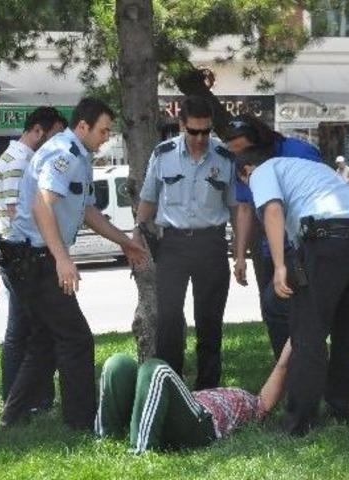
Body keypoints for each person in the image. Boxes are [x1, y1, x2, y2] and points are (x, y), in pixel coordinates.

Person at [0, 97, 146, 432]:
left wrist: (125, 242)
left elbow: (89, 212)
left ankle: (12, 416)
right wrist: (62, 260)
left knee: (45, 342)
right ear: (83, 126)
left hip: (35, 257)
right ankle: (81, 422)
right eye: (104, 130)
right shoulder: (64, 153)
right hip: (36, 260)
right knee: (76, 340)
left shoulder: (80, 155)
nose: (107, 137)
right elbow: (41, 205)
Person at [235, 144, 349, 436]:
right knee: (348, 331)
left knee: (307, 333)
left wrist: (279, 267)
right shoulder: (313, 169)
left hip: (328, 240)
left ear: (245, 172)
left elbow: (273, 210)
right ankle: (340, 413)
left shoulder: (262, 171)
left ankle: (299, 424)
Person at [133, 96, 238, 390]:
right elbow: (148, 199)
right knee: (168, 320)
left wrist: (241, 254)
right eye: (194, 131)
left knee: (209, 320)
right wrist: (136, 237)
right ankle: (171, 387)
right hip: (173, 246)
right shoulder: (163, 154)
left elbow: (236, 207)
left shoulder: (224, 156)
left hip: (211, 244)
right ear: (181, 126)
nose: (200, 138)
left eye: (206, 131)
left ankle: (208, 390)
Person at [223, 113, 322, 360]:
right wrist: (240, 255)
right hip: (267, 245)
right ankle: (284, 369)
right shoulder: (244, 163)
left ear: (260, 141)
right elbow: (245, 208)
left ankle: (310, 365)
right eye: (234, 152)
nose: (240, 157)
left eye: (243, 149)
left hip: (305, 241)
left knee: (304, 310)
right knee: (272, 310)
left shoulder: (297, 151)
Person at [0, 106, 67, 409]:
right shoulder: (19, 161)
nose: (57, 143)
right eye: (54, 135)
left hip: (21, 251)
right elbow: (17, 211)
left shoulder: (18, 158)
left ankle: (29, 397)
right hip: (20, 253)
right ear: (38, 131)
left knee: (30, 328)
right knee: (21, 330)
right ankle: (18, 397)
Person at [95, 341, 291, 453]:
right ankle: (107, 436)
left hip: (201, 423)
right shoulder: (237, 395)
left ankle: (141, 450)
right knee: (118, 363)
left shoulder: (254, 405)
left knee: (156, 370)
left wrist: (291, 348)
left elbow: (280, 371)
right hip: (172, 406)